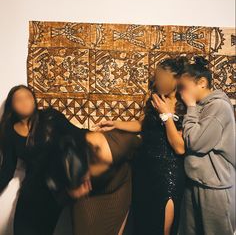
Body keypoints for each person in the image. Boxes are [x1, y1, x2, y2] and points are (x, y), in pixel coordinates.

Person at [0, 85, 141, 235]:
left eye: (28, 97)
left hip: (55, 190)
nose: (24, 102)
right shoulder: (9, 133)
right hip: (31, 194)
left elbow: (77, 135)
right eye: (19, 99)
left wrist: (100, 137)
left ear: (34, 100)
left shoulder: (50, 116)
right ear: (11, 105)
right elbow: (7, 169)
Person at [94, 57, 187, 235]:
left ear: (175, 79)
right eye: (156, 77)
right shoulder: (154, 100)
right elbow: (141, 125)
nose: (156, 81)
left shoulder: (186, 105)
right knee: (144, 223)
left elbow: (179, 146)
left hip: (169, 170)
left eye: (161, 77)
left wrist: (166, 114)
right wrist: (115, 124)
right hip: (144, 167)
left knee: (163, 227)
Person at [178, 56, 235, 235]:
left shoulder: (218, 107)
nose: (180, 93)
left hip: (214, 189)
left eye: (184, 87)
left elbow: (195, 143)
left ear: (202, 82)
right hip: (196, 183)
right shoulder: (203, 106)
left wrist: (191, 108)